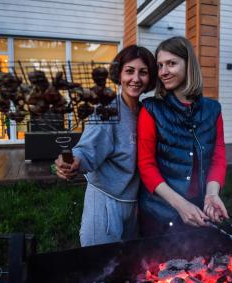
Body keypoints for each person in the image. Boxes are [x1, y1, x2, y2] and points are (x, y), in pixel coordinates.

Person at [54, 45, 157, 246]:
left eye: (142, 72)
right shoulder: (107, 111)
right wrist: (71, 161)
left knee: (127, 266)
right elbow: (85, 149)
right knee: (100, 267)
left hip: (133, 203)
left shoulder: (147, 112)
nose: (135, 79)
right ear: (119, 74)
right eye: (129, 71)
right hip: (106, 203)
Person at [137, 36, 228, 237]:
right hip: (159, 213)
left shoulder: (213, 110)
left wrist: (212, 194)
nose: (163, 72)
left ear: (189, 65)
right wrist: (180, 205)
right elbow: (146, 165)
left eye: (171, 64)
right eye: (160, 65)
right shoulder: (151, 109)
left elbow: (218, 157)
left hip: (199, 208)